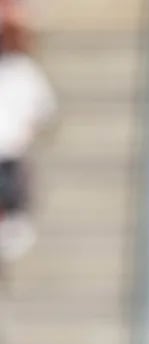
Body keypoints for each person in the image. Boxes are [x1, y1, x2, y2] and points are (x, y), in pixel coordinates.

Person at [0, 0, 57, 262]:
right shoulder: (25, 72)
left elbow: (42, 111)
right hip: (11, 150)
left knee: (13, 200)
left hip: (11, 152)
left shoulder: (25, 72)